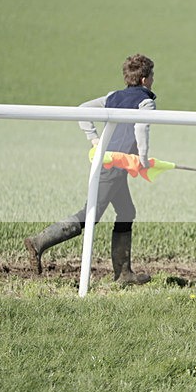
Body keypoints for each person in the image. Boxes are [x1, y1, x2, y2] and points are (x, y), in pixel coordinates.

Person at [24, 54, 157, 285]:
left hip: (108, 163)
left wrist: (95, 139)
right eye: (152, 75)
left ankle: (124, 274)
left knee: (126, 211)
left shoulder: (112, 96)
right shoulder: (146, 101)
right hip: (115, 166)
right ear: (145, 79)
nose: (154, 79)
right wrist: (143, 158)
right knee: (90, 215)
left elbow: (83, 109)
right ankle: (38, 243)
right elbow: (141, 129)